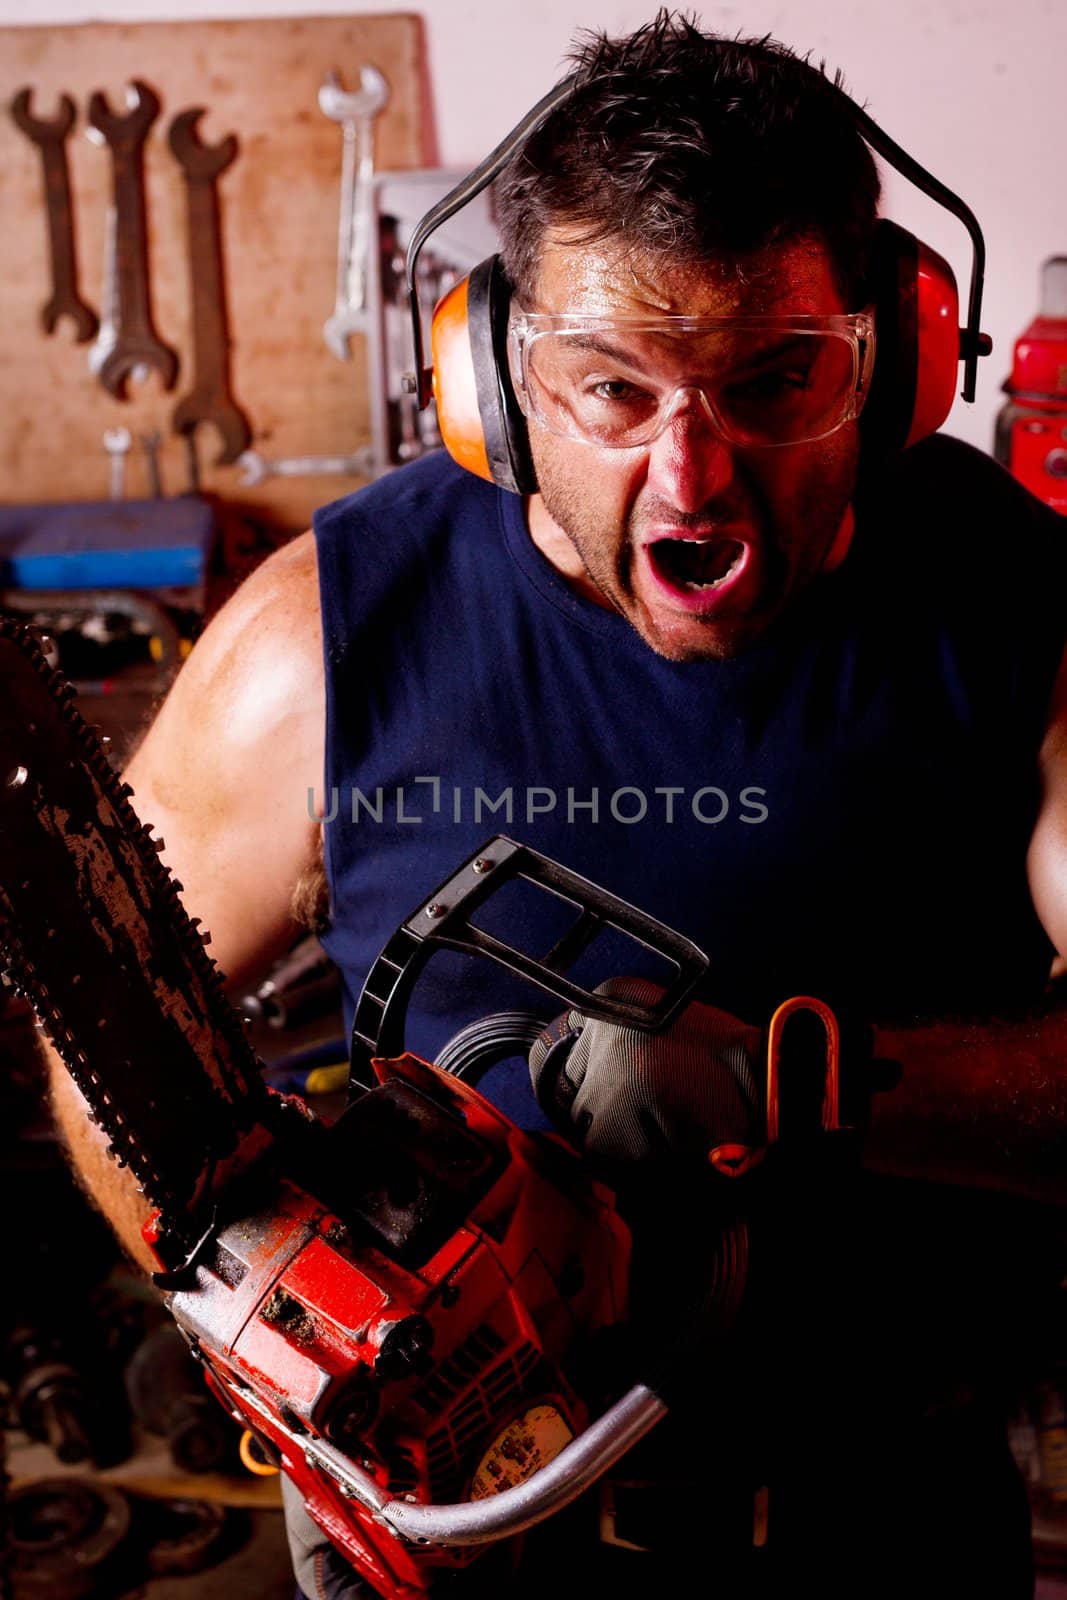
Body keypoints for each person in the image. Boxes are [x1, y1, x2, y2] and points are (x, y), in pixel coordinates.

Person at [46, 12, 1065, 1599]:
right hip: (474, 1560)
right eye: (612, 390)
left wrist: (808, 1082)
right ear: (492, 381)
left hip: (894, 1533)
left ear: (899, 357)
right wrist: (288, 1346)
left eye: (773, 380)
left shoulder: (1022, 612)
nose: (693, 478)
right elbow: (106, 1034)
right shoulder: (322, 645)